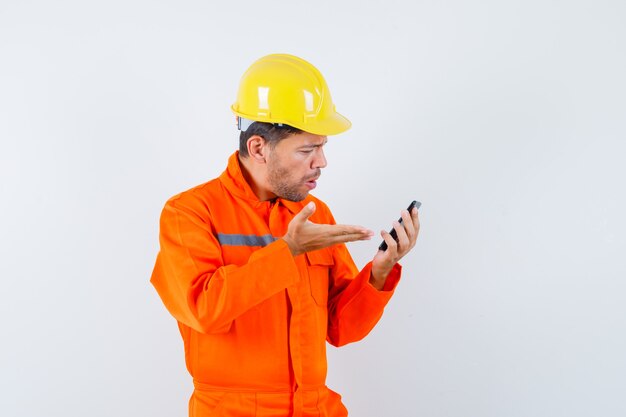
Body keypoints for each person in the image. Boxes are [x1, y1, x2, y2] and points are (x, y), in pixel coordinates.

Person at [150, 53, 420, 417]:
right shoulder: (190, 213)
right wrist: (288, 250)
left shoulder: (313, 213)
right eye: (308, 149)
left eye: (323, 147)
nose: (321, 161)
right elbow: (205, 309)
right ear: (258, 147)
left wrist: (379, 272)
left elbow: (340, 329)